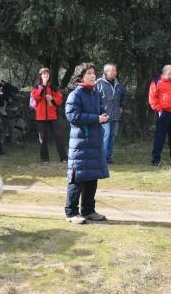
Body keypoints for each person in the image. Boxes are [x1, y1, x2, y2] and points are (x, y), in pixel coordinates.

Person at [64, 63, 109, 224]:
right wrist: (96, 118)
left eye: (93, 73)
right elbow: (73, 117)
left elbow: (99, 110)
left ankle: (88, 211)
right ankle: (71, 213)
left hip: (94, 142)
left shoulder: (95, 94)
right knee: (77, 180)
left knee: (92, 178)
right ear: (81, 77)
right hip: (80, 144)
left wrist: (103, 115)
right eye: (88, 73)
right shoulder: (75, 95)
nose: (92, 76)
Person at [31, 68, 68, 163]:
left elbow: (59, 100)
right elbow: (36, 97)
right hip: (40, 117)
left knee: (58, 136)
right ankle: (44, 159)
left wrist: (52, 98)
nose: (46, 75)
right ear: (40, 76)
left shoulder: (53, 87)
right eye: (44, 74)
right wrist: (43, 85)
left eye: (47, 74)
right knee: (43, 139)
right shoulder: (36, 86)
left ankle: (64, 158)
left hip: (53, 116)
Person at [95, 63, 127, 164]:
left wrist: (121, 106)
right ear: (106, 72)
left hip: (115, 116)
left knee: (112, 136)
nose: (115, 72)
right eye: (112, 70)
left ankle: (108, 158)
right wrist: (98, 111)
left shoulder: (119, 84)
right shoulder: (98, 83)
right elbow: (94, 97)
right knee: (105, 135)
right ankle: (102, 158)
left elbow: (124, 95)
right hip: (104, 115)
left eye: (115, 70)